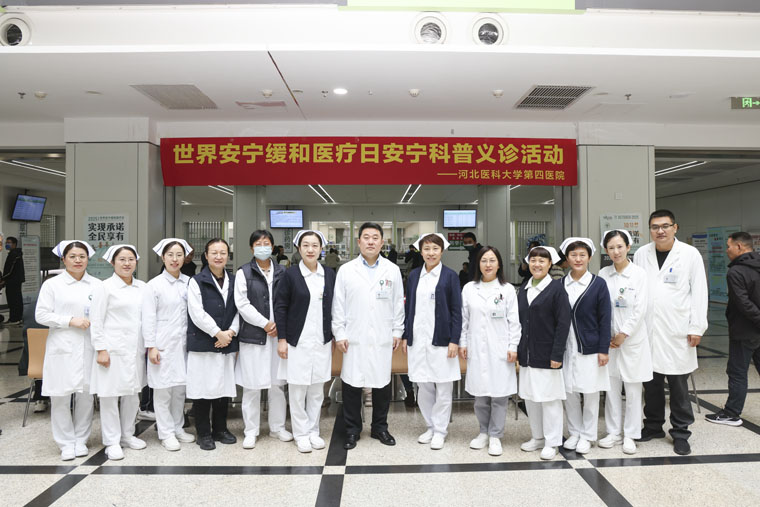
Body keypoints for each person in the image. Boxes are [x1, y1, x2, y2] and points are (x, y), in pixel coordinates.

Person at [633, 209, 708, 456]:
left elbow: (699, 292)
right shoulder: (642, 254)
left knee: (678, 386)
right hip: (648, 331)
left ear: (675, 228)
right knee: (651, 383)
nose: (660, 231)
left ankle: (681, 432)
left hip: (678, 330)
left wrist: (697, 326)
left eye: (665, 226)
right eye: (655, 227)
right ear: (650, 230)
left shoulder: (689, 254)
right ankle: (653, 426)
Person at [332, 222, 405, 450]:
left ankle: (379, 427)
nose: (371, 241)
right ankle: (352, 430)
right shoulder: (346, 270)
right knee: (352, 384)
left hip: (382, 334)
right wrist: (339, 332)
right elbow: (338, 305)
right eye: (366, 237)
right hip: (353, 335)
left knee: (382, 383)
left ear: (382, 242)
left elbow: (398, 303)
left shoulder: (392, 270)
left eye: (375, 237)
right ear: (359, 242)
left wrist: (397, 331)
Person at [35, 240, 101, 461]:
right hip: (62, 345)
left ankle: (81, 440)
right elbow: (41, 315)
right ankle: (65, 443)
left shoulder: (96, 285)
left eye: (82, 256)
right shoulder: (52, 285)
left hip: (88, 345)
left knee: (85, 396)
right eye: (72, 256)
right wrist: (69, 320)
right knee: (60, 396)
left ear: (88, 259)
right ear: (64, 259)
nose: (77, 260)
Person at [274, 230, 336, 453]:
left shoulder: (329, 274)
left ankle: (313, 431)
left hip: (321, 340)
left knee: (317, 389)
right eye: (306, 245)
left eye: (315, 245)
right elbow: (280, 307)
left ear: (321, 249)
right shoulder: (290, 275)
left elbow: (334, 306)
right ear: (299, 249)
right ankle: (300, 434)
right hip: (297, 340)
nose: (310, 249)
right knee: (298, 389)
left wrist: (334, 335)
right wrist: (282, 339)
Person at [402, 233, 462, 450]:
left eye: (435, 249)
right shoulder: (414, 275)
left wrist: (454, 340)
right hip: (418, 339)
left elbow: (457, 311)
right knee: (423, 385)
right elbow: (409, 307)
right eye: (426, 249)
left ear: (442, 251)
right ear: (421, 251)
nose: (431, 253)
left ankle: (440, 430)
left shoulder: (450, 276)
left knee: (443, 388)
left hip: (442, 340)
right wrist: (406, 334)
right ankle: (430, 426)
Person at [460, 246, 520, 457]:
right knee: (480, 397)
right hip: (476, 347)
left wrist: (513, 346)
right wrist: (463, 343)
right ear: (478, 264)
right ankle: (483, 432)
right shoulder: (469, 288)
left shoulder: (507, 289)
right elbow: (464, 320)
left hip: (500, 349)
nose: (488, 264)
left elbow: (514, 321)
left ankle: (495, 435)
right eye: (484, 260)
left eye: (492, 260)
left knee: (499, 396)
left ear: (499, 264)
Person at [89, 244, 148, 461]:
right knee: (110, 396)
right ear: (112, 262)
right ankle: (112, 441)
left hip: (135, 350)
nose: (127, 263)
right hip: (112, 350)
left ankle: (127, 435)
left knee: (132, 394)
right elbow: (96, 320)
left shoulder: (142, 287)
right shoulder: (104, 288)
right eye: (122, 259)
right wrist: (101, 349)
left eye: (131, 259)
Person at [234, 230, 292, 450]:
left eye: (266, 243)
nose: (262, 247)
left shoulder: (282, 272)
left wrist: (279, 325)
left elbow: (287, 300)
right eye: (258, 244)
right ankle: (251, 431)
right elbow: (242, 304)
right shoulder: (244, 272)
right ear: (251, 248)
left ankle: (277, 428)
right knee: (252, 386)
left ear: (272, 247)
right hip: (253, 335)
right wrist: (265, 323)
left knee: (277, 385)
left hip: (278, 336)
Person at [598, 229, 652, 454]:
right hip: (609, 341)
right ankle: (613, 432)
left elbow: (640, 309)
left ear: (628, 247)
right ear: (606, 250)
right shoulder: (603, 274)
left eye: (620, 246)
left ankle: (631, 434)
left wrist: (623, 333)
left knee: (632, 389)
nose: (616, 251)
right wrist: (607, 335)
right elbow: (600, 307)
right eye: (611, 248)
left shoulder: (639, 274)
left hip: (632, 340)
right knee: (611, 388)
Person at [142, 238, 196, 452]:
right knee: (163, 391)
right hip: (162, 345)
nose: (175, 259)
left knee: (180, 390)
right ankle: (166, 433)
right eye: (170, 255)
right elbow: (148, 318)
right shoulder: (153, 285)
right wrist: (151, 346)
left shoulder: (189, 282)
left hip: (183, 345)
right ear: (162, 257)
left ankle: (178, 428)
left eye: (179, 255)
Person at [517, 246, 571, 460]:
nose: (537, 264)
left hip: (548, 354)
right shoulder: (525, 287)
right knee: (531, 398)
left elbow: (563, 324)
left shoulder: (556, 289)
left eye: (542, 261)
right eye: (533, 260)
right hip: (527, 354)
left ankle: (552, 441)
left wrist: (557, 354)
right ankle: (538, 437)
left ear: (550, 264)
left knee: (550, 399)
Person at [559, 237, 612, 455]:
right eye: (573, 255)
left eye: (582, 255)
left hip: (590, 346)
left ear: (589, 257)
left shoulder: (598, 284)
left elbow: (605, 319)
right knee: (569, 390)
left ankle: (588, 435)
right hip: (565, 346)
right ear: (567, 258)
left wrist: (603, 349)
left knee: (590, 392)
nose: (578, 259)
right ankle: (574, 432)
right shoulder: (560, 284)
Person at [186, 238, 240, 451]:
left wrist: (231, 332)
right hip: (204, 342)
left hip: (227, 341)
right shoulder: (196, 281)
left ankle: (220, 429)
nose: (219, 257)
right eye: (214, 253)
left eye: (223, 253)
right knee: (202, 389)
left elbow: (240, 309)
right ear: (206, 256)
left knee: (223, 387)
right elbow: (196, 312)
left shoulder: (235, 280)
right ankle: (203, 433)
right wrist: (217, 333)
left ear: (228, 255)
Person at [705, 231, 760, 426]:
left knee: (737, 372)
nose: (726, 250)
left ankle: (731, 413)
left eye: (728, 246)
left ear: (739, 247)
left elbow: (743, 303)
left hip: (744, 331)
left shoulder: (736, 272)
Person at [1, 236, 25, 326]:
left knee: (13, 300)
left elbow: (10, 270)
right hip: (14, 280)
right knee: (16, 299)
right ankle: (16, 318)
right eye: (6, 243)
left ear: (14, 244)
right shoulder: (15, 254)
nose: (7, 244)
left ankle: (15, 319)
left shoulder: (14, 254)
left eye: (9, 243)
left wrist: (4, 279)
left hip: (13, 281)